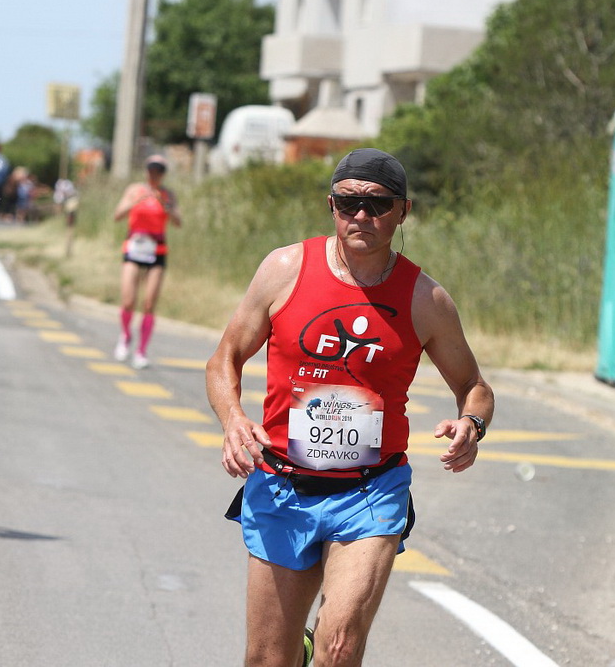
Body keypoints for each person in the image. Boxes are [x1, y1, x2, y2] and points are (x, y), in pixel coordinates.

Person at [204, 147, 494, 667]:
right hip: (282, 485)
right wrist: (233, 420)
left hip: (370, 491)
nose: (362, 216)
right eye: (347, 203)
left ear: (404, 211)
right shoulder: (284, 268)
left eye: (378, 204)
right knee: (267, 659)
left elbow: (474, 384)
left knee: (340, 650)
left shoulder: (425, 300)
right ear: (331, 206)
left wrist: (471, 422)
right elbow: (224, 358)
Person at [113, 154, 181, 369]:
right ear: (146, 171)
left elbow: (178, 222)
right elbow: (117, 215)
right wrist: (136, 201)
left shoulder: (167, 194)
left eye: (159, 170)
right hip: (134, 247)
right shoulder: (134, 190)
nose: (154, 174)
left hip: (156, 250)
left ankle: (142, 351)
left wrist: (166, 205)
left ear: (163, 174)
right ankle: (125, 336)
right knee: (128, 299)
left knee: (149, 302)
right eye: (151, 169)